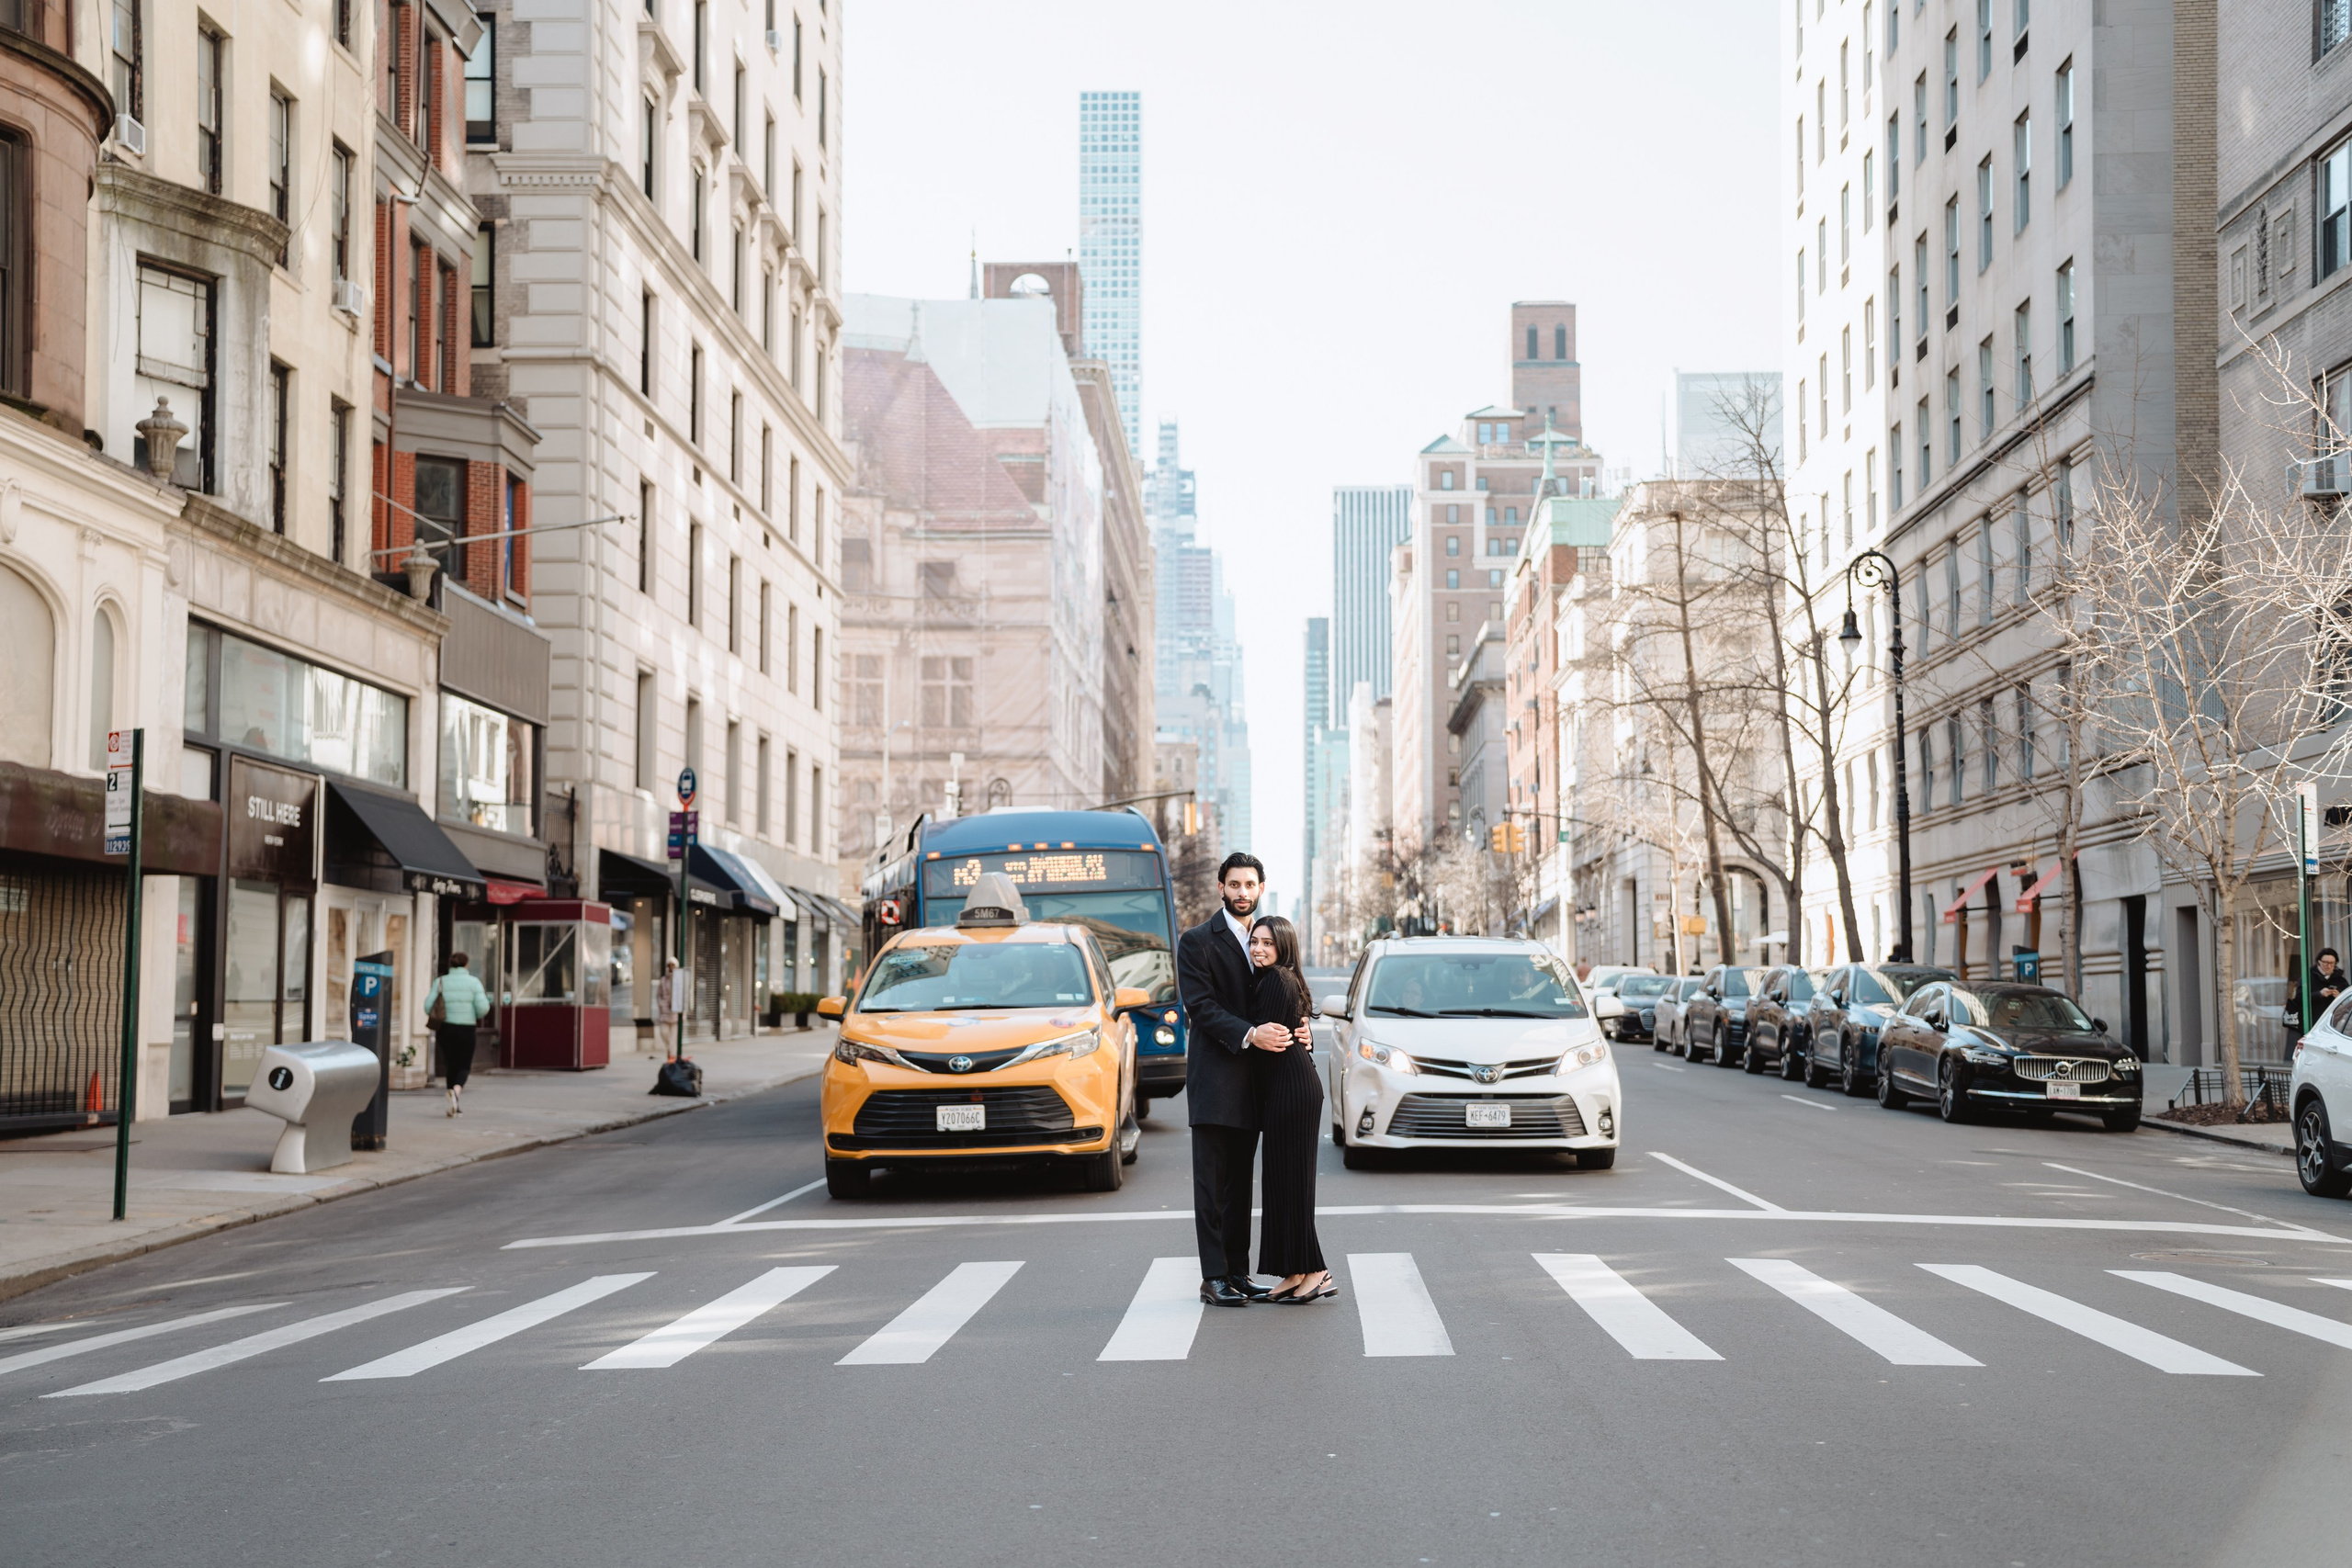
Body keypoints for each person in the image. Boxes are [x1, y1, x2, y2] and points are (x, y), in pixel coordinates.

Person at [1174, 852, 1297, 1307]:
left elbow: (1286, 988)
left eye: (1249, 885)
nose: (1242, 892)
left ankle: (1238, 1272)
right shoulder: (1198, 941)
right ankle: (1214, 1277)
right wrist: (1250, 1034)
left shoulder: (1267, 938)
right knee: (1211, 1185)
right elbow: (1201, 1006)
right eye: (1234, 885)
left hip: (1256, 1084)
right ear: (1220, 888)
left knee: (1240, 1186)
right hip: (1215, 1080)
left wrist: (1300, 1023)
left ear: (1260, 888)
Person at [1249, 915, 1333, 1303]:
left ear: (1282, 946)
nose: (1258, 949)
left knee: (1293, 1183)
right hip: (1287, 1087)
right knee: (1281, 1182)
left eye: (1267, 943)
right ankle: (1294, 1269)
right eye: (1254, 942)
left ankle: (1316, 1269)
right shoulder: (1280, 979)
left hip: (1293, 1089)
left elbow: (1258, 1035)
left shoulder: (1274, 980)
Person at [424, 953, 491, 1116]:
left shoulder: (440, 981)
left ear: (450, 965)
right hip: (466, 1028)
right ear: (466, 965)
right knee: (464, 1065)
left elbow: (428, 1007)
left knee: (451, 1065)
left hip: (445, 1029)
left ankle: (452, 1100)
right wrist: (470, 1012)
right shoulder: (474, 983)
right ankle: (455, 1091)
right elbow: (483, 1008)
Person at [654, 956, 685, 1055]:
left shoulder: (680, 980)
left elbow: (684, 996)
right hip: (665, 1012)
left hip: (676, 1013)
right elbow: (658, 995)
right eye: (669, 965)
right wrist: (661, 1004)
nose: (671, 967)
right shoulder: (663, 980)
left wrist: (683, 1011)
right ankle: (669, 1049)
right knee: (664, 1033)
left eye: (673, 965)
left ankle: (672, 1056)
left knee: (674, 1037)